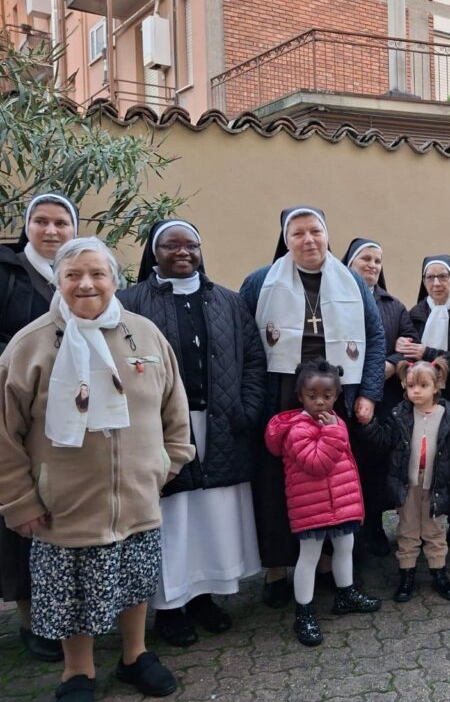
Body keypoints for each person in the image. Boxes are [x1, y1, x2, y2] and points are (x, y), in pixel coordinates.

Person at [0, 237, 194, 702]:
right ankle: (78, 672)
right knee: (71, 593)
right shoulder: (31, 345)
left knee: (134, 578)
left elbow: (174, 404)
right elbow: (5, 432)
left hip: (137, 493)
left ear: (114, 280)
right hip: (63, 500)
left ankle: (135, 656)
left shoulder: (143, 334)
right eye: (73, 275)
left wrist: (170, 460)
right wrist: (20, 500)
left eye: (97, 274)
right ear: (58, 282)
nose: (86, 284)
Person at [119, 219, 264, 647]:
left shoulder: (229, 301)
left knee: (211, 517)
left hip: (220, 423)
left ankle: (205, 598)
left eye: (191, 245)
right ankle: (169, 608)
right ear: (154, 251)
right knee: (172, 520)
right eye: (171, 245)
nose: (182, 252)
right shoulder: (130, 303)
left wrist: (248, 409)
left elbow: (253, 358)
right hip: (162, 431)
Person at [239, 207, 385, 609]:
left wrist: (369, 393)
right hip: (281, 394)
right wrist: (255, 402)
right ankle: (276, 570)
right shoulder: (259, 282)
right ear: (286, 239)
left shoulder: (351, 281)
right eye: (298, 233)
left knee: (332, 481)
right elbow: (246, 345)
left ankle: (326, 567)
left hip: (335, 395)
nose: (308, 240)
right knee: (276, 486)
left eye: (315, 231)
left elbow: (374, 337)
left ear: (327, 234)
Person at [0, 192, 78, 662]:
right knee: (24, 517)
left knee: (66, 515)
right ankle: (32, 620)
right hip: (22, 412)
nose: (51, 231)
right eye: (42, 222)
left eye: (61, 223)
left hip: (78, 416)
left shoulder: (83, 270)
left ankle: (69, 613)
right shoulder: (8, 275)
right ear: (27, 226)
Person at [265, 359, 380, 646]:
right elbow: (316, 464)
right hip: (311, 509)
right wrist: (334, 434)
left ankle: (346, 593)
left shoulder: (335, 422)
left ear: (336, 395)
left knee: (345, 547)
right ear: (299, 395)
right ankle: (303, 612)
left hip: (341, 503)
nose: (320, 402)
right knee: (309, 558)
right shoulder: (298, 429)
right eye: (312, 396)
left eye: (327, 396)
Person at [362, 358, 450, 603]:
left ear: (437, 386)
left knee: (435, 530)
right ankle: (407, 574)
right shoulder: (398, 415)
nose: (416, 390)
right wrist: (370, 427)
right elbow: (385, 442)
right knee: (407, 529)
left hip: (437, 484)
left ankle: (439, 573)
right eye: (411, 385)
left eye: (423, 386)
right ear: (403, 384)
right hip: (408, 483)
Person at [344, 238, 419, 557]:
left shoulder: (394, 306)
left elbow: (410, 345)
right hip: (344, 397)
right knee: (350, 468)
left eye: (377, 260)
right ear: (349, 264)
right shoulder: (337, 299)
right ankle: (349, 533)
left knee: (377, 467)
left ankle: (374, 527)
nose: (373, 265)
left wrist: (391, 364)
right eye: (366, 259)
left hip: (383, 400)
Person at [403, 254, 450, 549]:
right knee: (422, 463)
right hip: (420, 402)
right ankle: (417, 521)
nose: (436, 283)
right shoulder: (414, 314)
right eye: (429, 277)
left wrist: (428, 352)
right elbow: (405, 353)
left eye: (443, 276)